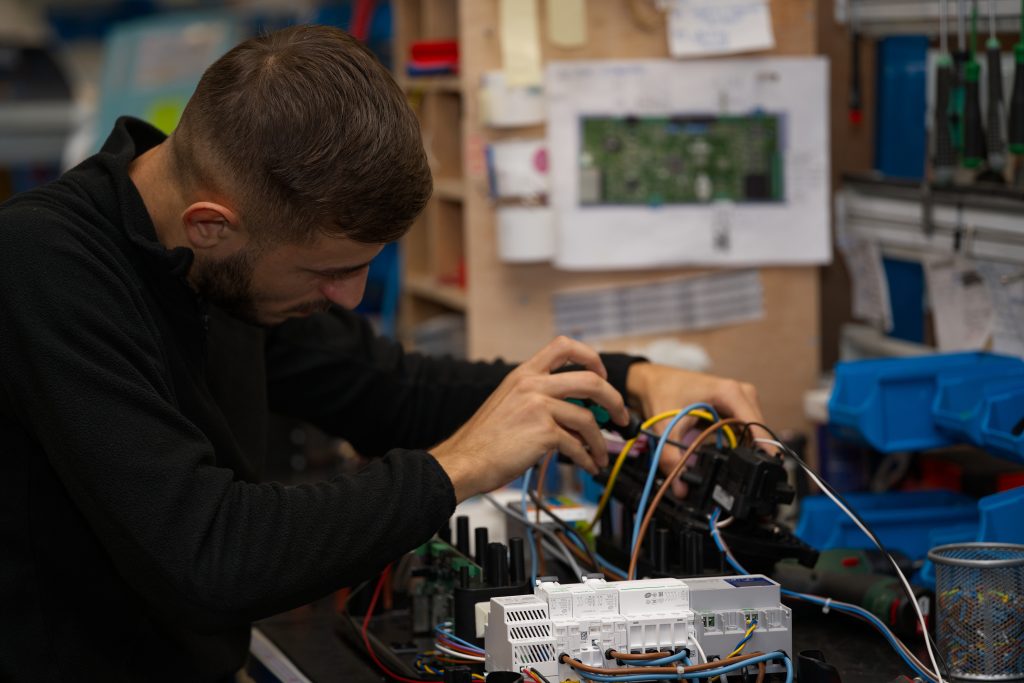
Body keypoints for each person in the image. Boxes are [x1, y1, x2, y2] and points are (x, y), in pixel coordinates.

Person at [0, 25, 765, 682]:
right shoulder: (44, 267)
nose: (352, 295)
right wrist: (459, 465)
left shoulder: (224, 264)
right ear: (212, 224)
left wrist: (631, 378)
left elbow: (389, 389)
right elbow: (211, 553)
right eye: (330, 270)